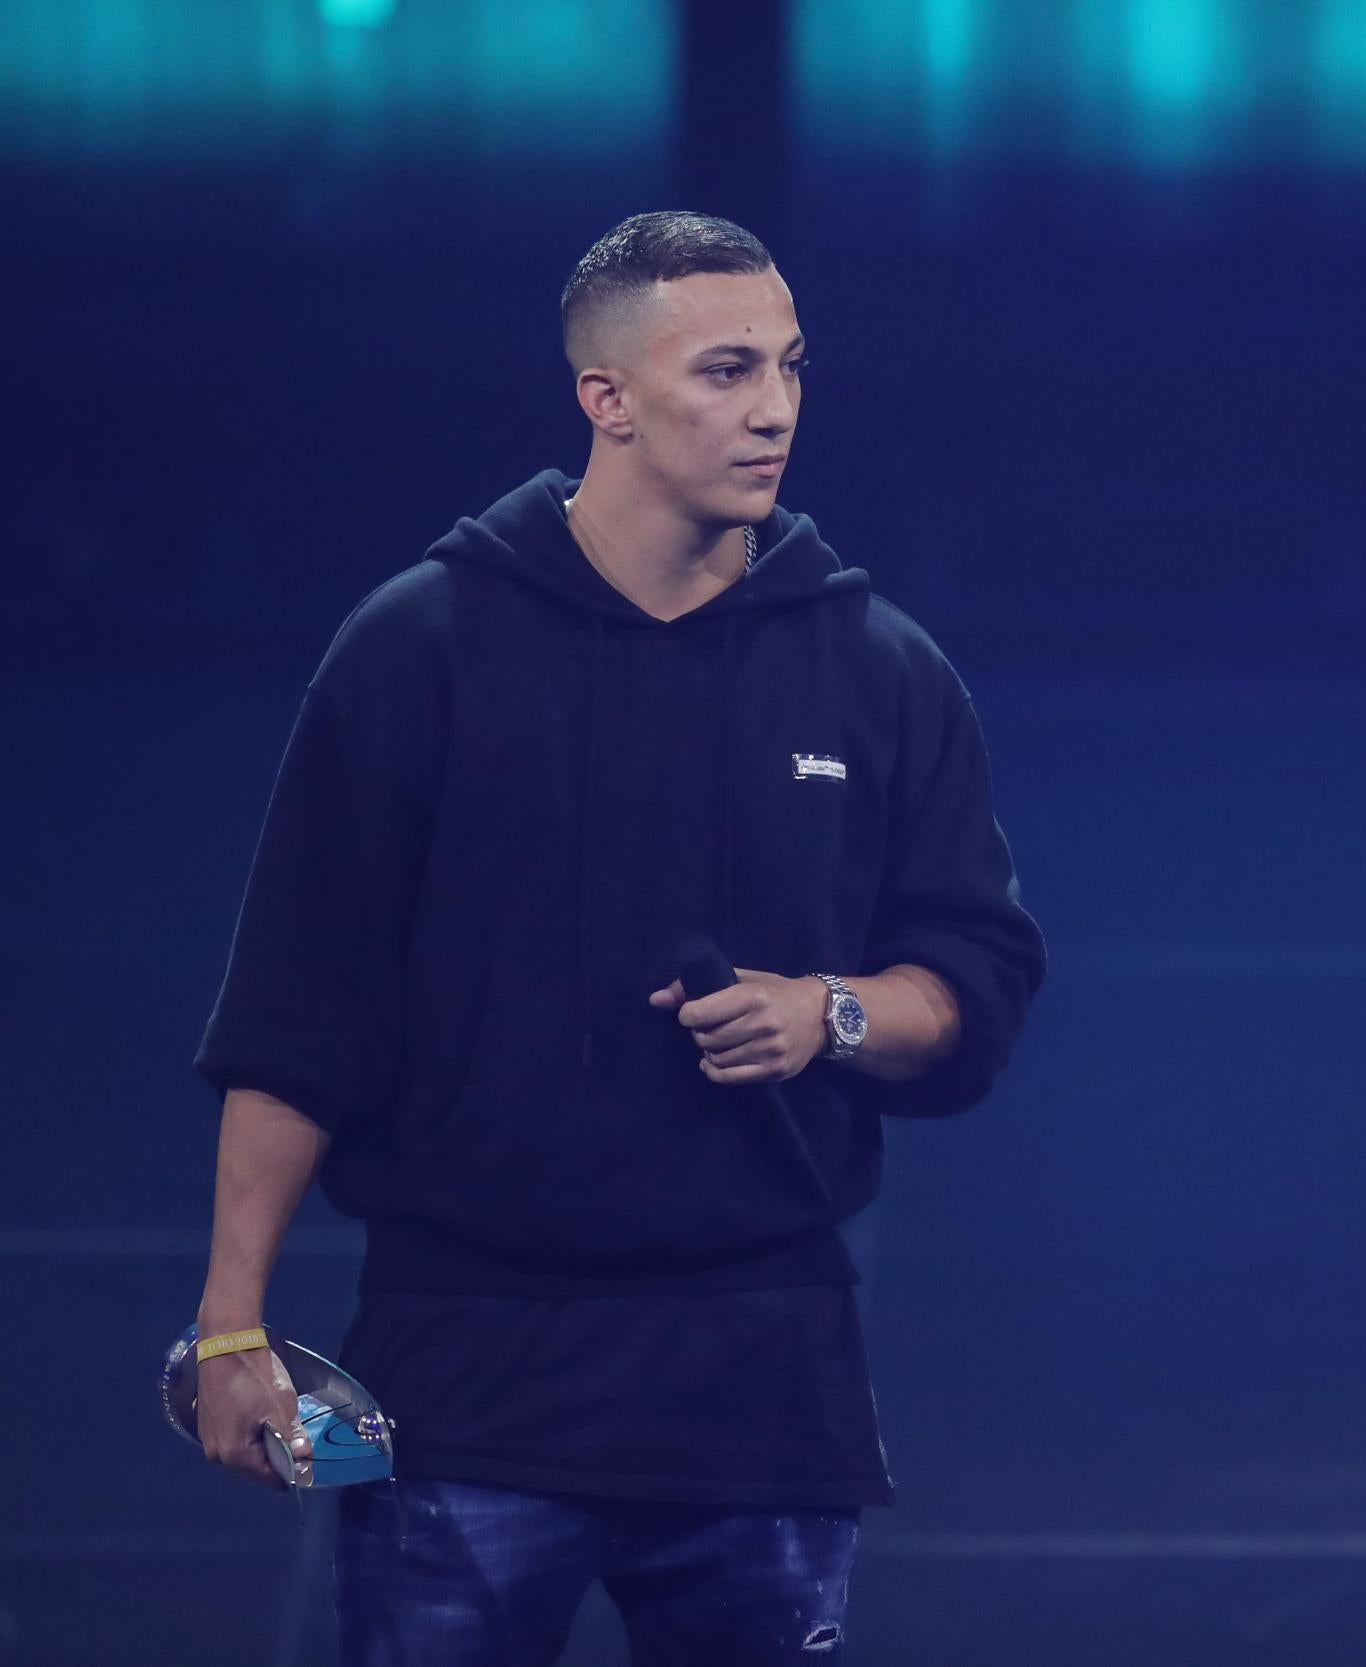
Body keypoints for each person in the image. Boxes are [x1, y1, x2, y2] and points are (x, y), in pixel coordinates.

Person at [190, 211, 1046, 1665]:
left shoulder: (882, 672)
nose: (773, 406)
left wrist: (827, 1012)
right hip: (466, 1372)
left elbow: (977, 987)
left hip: (762, 1383)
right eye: (724, 370)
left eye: (788, 365)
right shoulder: (419, 649)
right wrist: (229, 1326)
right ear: (609, 400)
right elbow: (299, 1009)